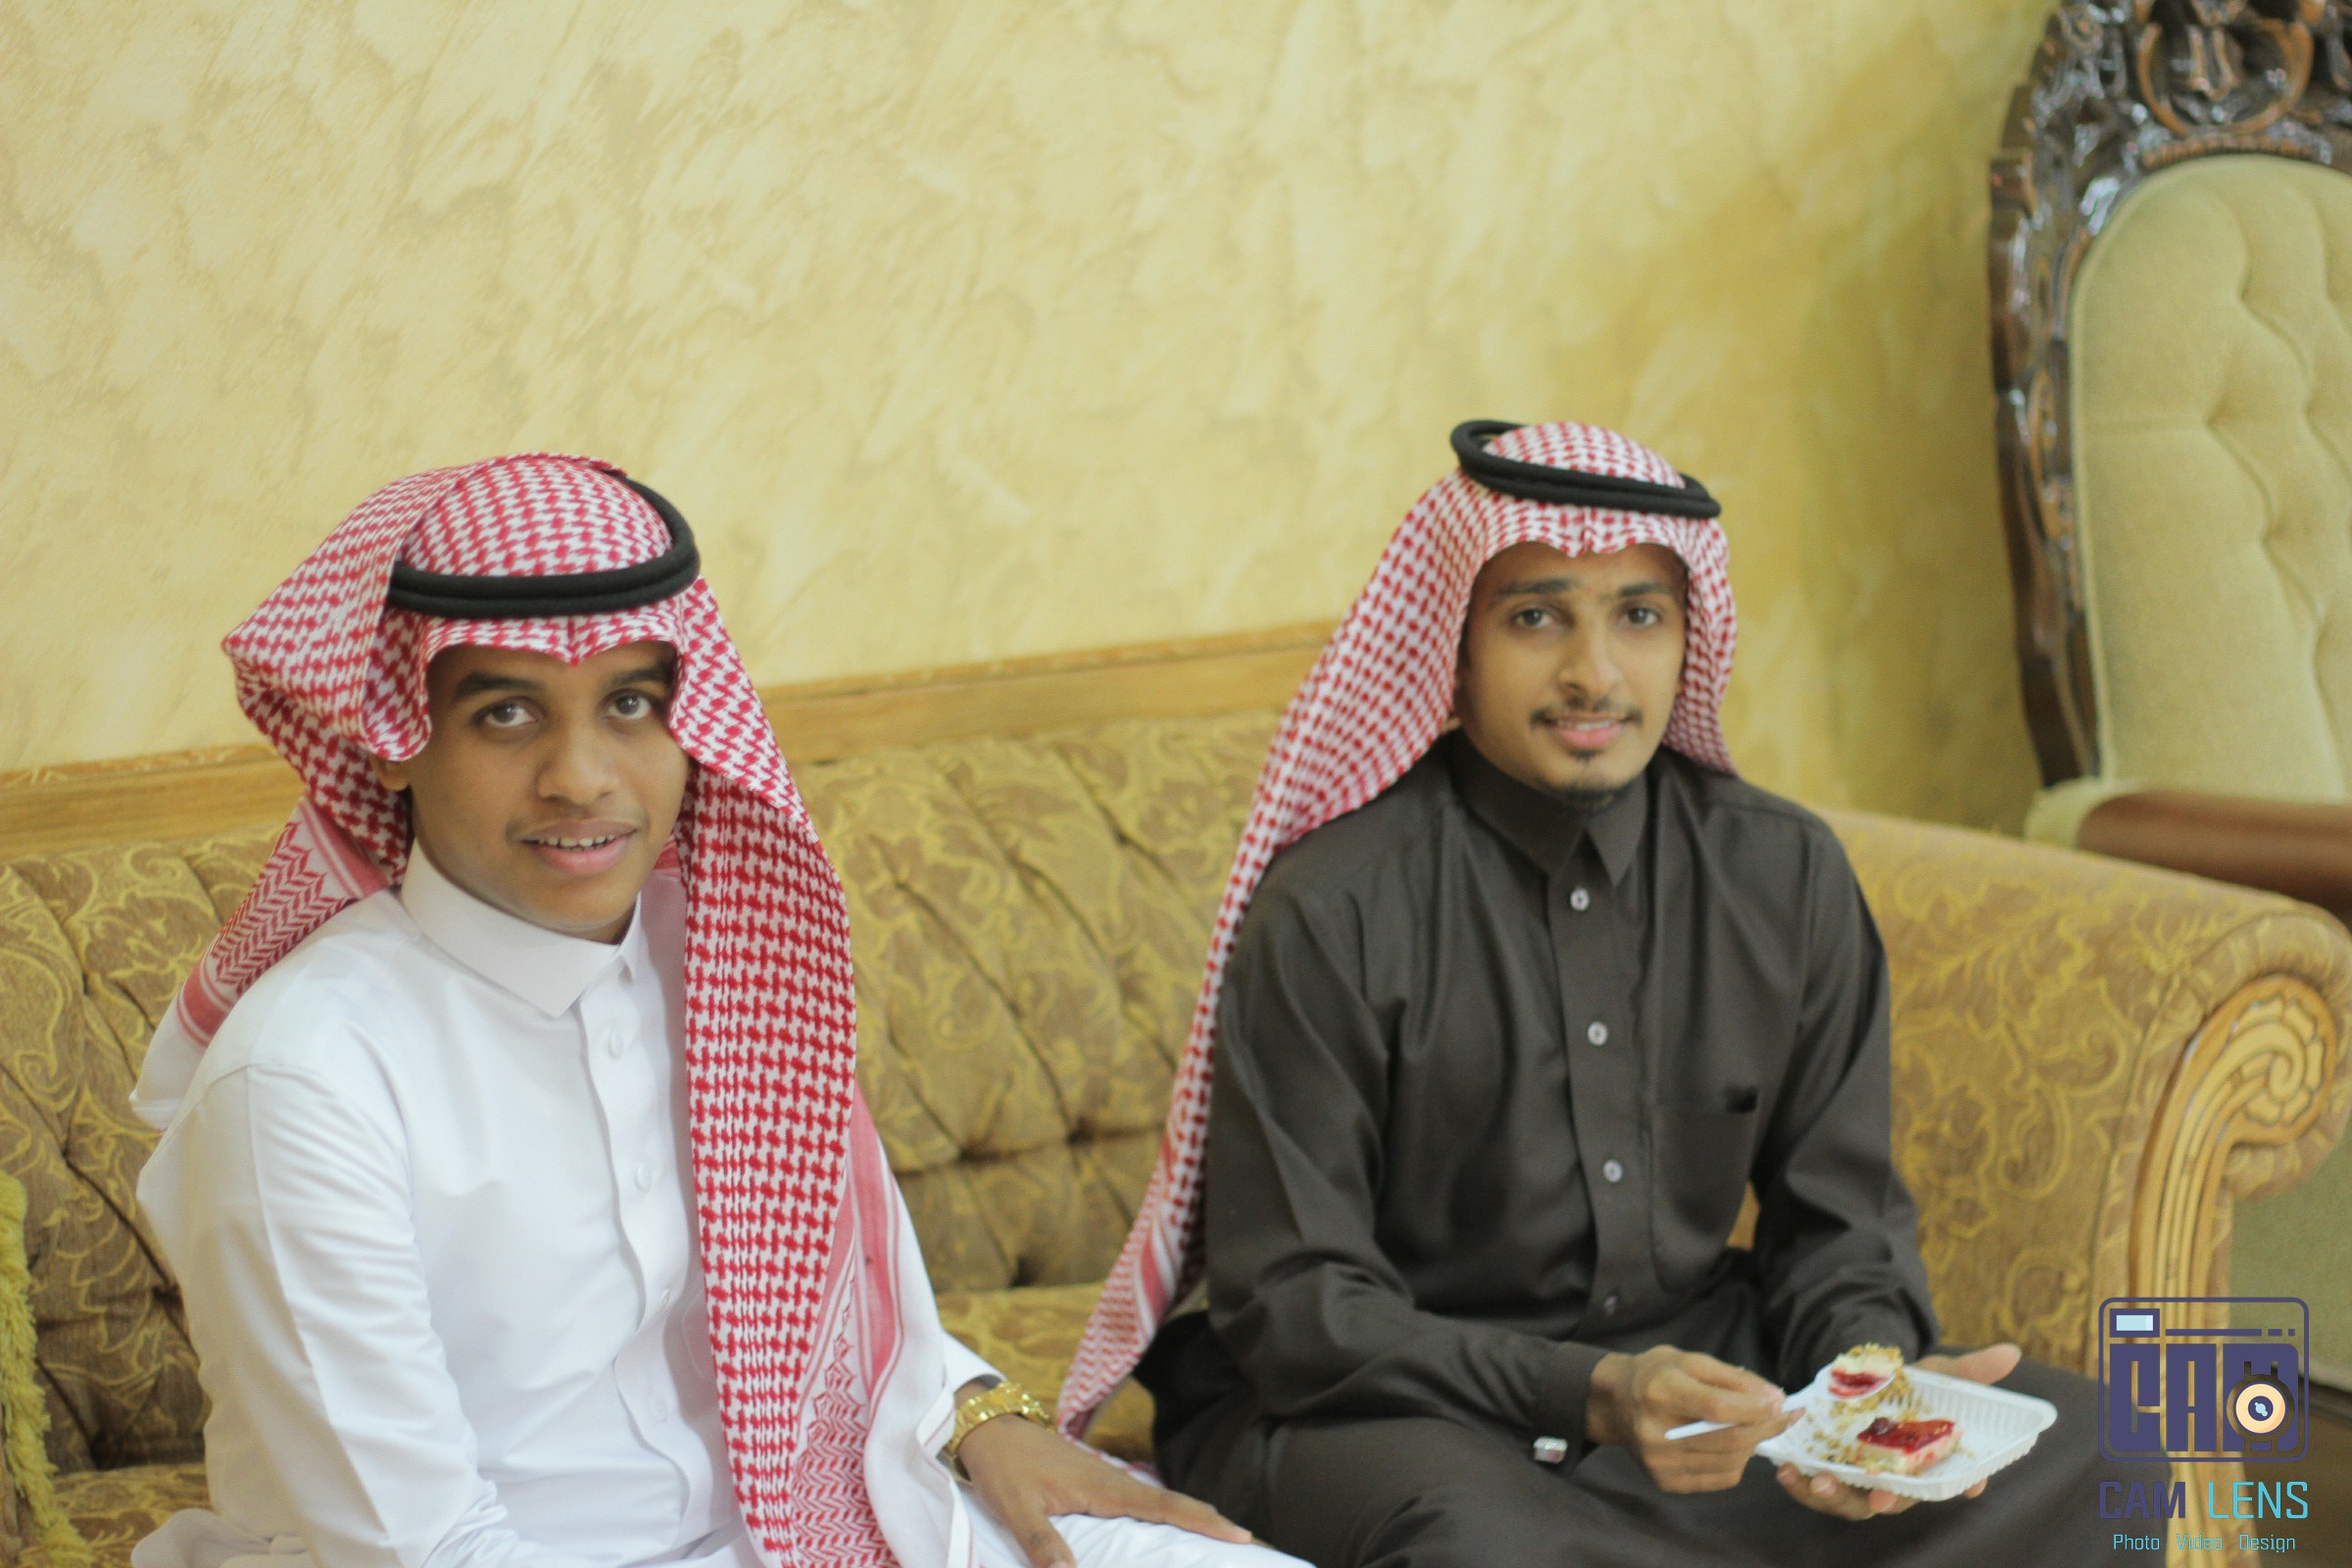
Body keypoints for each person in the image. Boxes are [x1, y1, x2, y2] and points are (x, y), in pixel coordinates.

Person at [128, 455, 1302, 1568]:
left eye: (631, 702)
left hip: (809, 1521)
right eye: (506, 714)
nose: (581, 775)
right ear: (394, 739)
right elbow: (426, 1550)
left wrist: (978, 1413)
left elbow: (822, 1296)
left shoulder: (726, 962)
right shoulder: (305, 1081)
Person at [1054, 421, 2128, 1566]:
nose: (1594, 674)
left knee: (2112, 1450)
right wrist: (1594, 1392)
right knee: (1484, 1547)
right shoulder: (1333, 909)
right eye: (1536, 617)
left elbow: (1839, 1226)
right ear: (1454, 643)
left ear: (1687, 637)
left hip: (1699, 1390)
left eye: (1639, 616)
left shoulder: (1784, 876)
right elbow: (1298, 1304)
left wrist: (1867, 1400)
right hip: (1397, 1405)